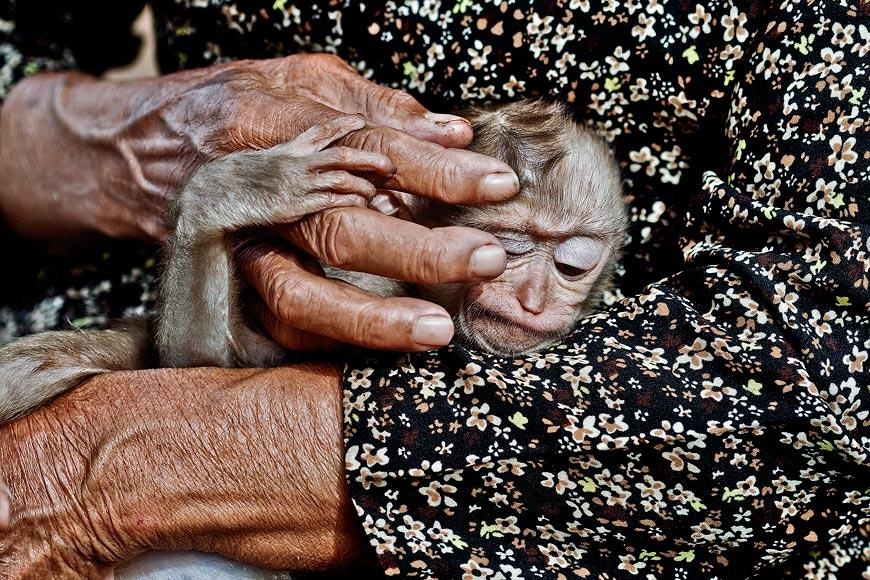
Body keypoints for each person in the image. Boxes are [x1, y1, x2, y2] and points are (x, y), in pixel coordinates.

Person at [1, 1, 867, 578]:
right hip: (110, 331)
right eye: (504, 251)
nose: (532, 296)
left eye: (571, 266)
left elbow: (824, 361)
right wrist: (130, 148)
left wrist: (129, 463)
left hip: (589, 502)